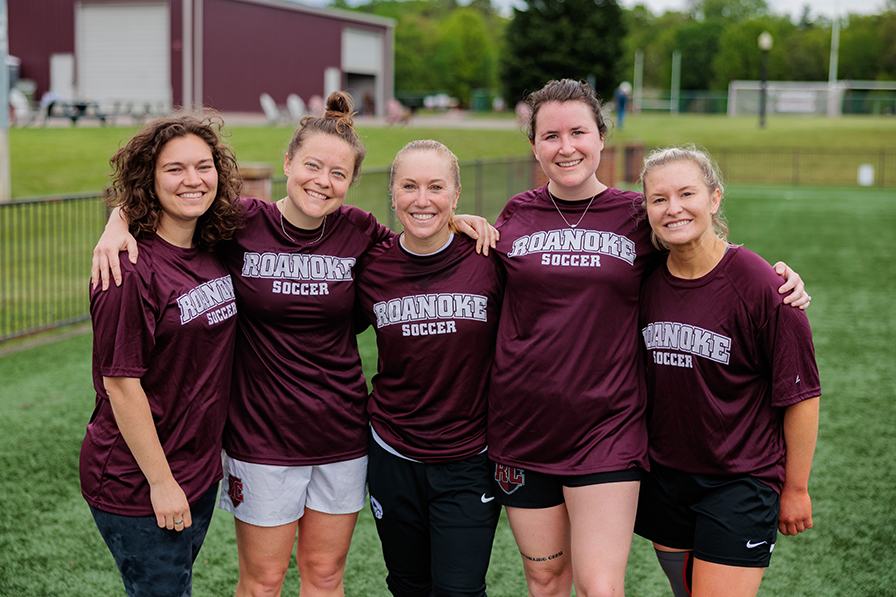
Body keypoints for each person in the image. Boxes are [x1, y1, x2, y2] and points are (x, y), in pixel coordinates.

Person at [90, 92, 497, 597]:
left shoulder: (360, 231)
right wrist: (118, 221)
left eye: (338, 173)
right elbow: (178, 199)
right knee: (263, 582)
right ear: (288, 162)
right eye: (311, 165)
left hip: (343, 436)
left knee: (325, 577)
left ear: (352, 182)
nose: (321, 182)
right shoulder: (239, 222)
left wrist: (461, 221)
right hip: (261, 438)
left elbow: (419, 236)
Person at [485, 79, 809, 597]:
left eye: (578, 132)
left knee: (601, 587)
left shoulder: (637, 215)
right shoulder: (514, 216)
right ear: (534, 145)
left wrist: (779, 279)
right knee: (544, 580)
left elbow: (702, 249)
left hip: (608, 430)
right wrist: (455, 223)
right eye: (550, 136)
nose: (565, 146)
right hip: (522, 429)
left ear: (600, 138)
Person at [635, 146, 820, 597]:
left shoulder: (762, 286)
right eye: (659, 199)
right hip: (664, 478)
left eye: (686, 193)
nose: (673, 208)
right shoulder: (641, 280)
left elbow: (800, 395)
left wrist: (795, 488)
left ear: (715, 198)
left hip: (740, 481)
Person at [79, 112, 243, 597]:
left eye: (204, 165)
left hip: (197, 468)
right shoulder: (128, 269)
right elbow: (121, 384)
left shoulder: (213, 245)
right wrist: (162, 483)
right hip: (138, 480)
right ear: (149, 179)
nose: (192, 180)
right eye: (174, 169)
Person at [354, 140, 504, 596]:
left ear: (456, 195)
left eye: (436, 187)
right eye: (410, 187)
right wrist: (123, 217)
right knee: (408, 585)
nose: (423, 200)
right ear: (393, 195)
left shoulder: (490, 258)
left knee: (459, 590)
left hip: (469, 458)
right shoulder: (372, 266)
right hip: (393, 454)